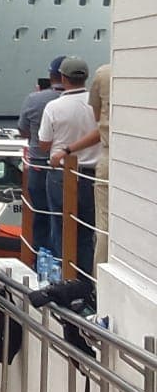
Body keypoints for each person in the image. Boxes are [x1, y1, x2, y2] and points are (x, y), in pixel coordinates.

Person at [39, 57, 100, 277]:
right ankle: (85, 279)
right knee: (88, 231)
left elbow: (44, 143)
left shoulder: (53, 107)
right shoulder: (95, 105)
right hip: (93, 174)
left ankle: (65, 279)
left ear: (62, 78)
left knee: (61, 228)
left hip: (62, 174)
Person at [17, 56, 66, 252]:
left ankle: (40, 257)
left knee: (40, 214)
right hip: (69, 167)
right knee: (66, 217)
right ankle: (64, 258)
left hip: (39, 163)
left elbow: (23, 130)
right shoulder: (84, 101)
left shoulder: (34, 99)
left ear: (51, 76)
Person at [88, 63, 111, 268]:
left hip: (110, 153)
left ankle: (99, 278)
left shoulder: (104, 73)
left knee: (104, 224)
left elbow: (96, 116)